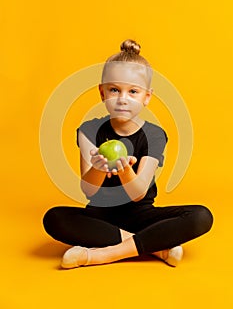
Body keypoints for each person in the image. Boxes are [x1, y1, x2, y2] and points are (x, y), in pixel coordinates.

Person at [43, 39, 213, 268]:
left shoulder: (155, 135)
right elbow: (88, 190)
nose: (123, 98)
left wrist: (124, 171)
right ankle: (157, 248)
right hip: (100, 216)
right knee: (54, 218)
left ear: (147, 97)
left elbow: (138, 194)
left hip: (142, 215)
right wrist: (98, 168)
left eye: (133, 91)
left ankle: (99, 255)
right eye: (115, 90)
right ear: (102, 92)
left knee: (202, 216)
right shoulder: (89, 131)